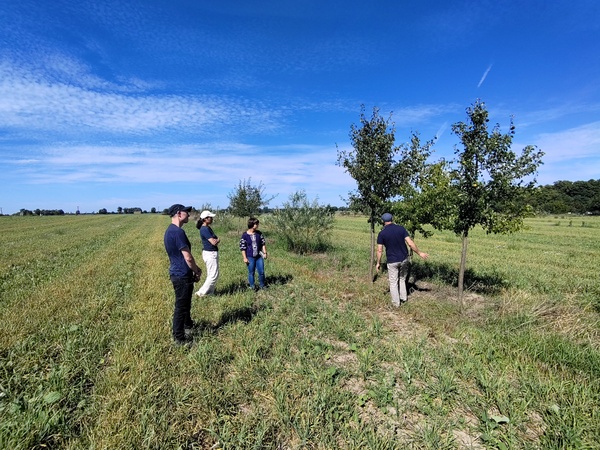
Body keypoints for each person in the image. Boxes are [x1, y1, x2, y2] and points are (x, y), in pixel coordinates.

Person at [164, 204, 202, 345]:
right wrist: (197, 270)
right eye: (187, 212)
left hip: (176, 272)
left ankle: (188, 325)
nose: (189, 214)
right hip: (182, 274)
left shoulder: (169, 231)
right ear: (179, 213)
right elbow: (188, 257)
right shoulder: (178, 233)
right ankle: (179, 338)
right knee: (181, 306)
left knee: (185, 303)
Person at [376, 212, 429, 307]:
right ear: (392, 219)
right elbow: (410, 243)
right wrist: (420, 253)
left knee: (393, 282)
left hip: (392, 261)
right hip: (404, 259)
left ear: (383, 221)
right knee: (402, 278)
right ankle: (404, 298)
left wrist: (378, 263)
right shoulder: (401, 229)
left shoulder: (382, 233)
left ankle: (396, 304)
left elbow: (379, 250)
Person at [195, 210, 220, 297]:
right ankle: (201, 293)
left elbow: (215, 239)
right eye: (210, 217)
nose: (212, 219)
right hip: (210, 253)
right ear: (205, 219)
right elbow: (214, 242)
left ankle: (209, 292)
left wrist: (216, 240)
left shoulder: (207, 228)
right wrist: (217, 240)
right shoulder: (204, 229)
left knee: (212, 274)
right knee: (214, 275)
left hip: (211, 252)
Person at [239, 217, 268, 290]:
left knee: (261, 272)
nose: (258, 225)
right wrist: (245, 258)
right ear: (252, 224)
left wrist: (265, 253)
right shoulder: (245, 235)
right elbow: (243, 247)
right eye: (256, 224)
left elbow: (263, 243)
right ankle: (252, 286)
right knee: (251, 272)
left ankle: (262, 286)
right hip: (250, 257)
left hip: (259, 256)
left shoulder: (259, 233)